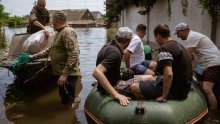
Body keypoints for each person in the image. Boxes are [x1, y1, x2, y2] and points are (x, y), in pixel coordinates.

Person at [92, 27, 158, 106]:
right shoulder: (115, 53)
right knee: (150, 78)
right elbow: (96, 72)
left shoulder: (108, 46)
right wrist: (116, 94)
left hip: (115, 82)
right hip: (115, 86)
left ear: (116, 37)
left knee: (148, 77)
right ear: (129, 40)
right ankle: (146, 104)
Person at [29, 10, 80, 109]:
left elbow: (74, 54)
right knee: (64, 99)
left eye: (52, 20)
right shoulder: (59, 32)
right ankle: (72, 104)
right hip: (61, 74)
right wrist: (32, 57)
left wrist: (64, 75)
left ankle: (72, 113)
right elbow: (49, 50)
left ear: (56, 20)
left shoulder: (68, 32)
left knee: (67, 104)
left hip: (68, 75)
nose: (51, 22)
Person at [130, 24, 193, 102]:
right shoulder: (178, 45)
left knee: (134, 87)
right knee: (152, 77)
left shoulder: (165, 49)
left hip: (176, 90)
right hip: (184, 87)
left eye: (155, 37)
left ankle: (148, 106)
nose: (156, 40)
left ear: (158, 36)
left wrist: (164, 96)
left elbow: (169, 74)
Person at [174, 22, 220, 110]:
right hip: (206, 64)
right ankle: (206, 106)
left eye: (178, 33)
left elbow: (187, 56)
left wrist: (177, 66)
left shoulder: (192, 36)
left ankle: (212, 112)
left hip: (213, 63)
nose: (178, 36)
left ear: (183, 31)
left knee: (207, 88)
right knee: (201, 85)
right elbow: (190, 58)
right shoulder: (193, 37)